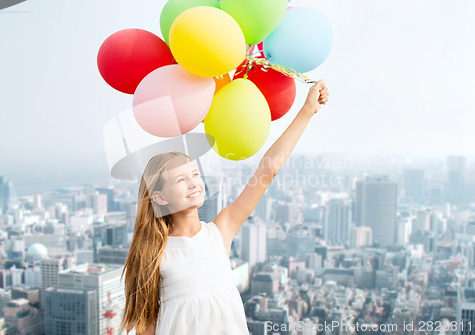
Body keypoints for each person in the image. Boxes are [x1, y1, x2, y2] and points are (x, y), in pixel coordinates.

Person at [121, 80, 329, 335]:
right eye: (180, 179)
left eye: (195, 174)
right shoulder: (153, 252)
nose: (194, 183)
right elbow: (146, 327)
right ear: (160, 197)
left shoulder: (220, 231)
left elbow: (268, 169)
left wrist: (307, 111)